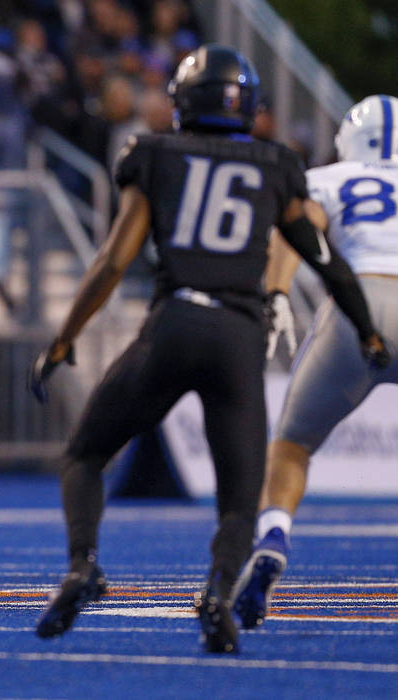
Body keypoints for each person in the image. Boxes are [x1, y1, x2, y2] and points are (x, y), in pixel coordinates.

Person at [27, 45, 389, 653]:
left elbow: (114, 259)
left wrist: (65, 337)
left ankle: (82, 565)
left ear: (182, 101)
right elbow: (323, 260)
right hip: (238, 341)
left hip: (173, 325)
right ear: (247, 106)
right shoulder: (277, 164)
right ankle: (218, 594)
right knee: (240, 500)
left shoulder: (155, 154)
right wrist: (368, 330)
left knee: (85, 455)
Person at [232, 95, 398, 630]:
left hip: (360, 303)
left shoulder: (329, 176)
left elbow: (299, 225)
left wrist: (276, 293)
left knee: (291, 445)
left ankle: (275, 533)